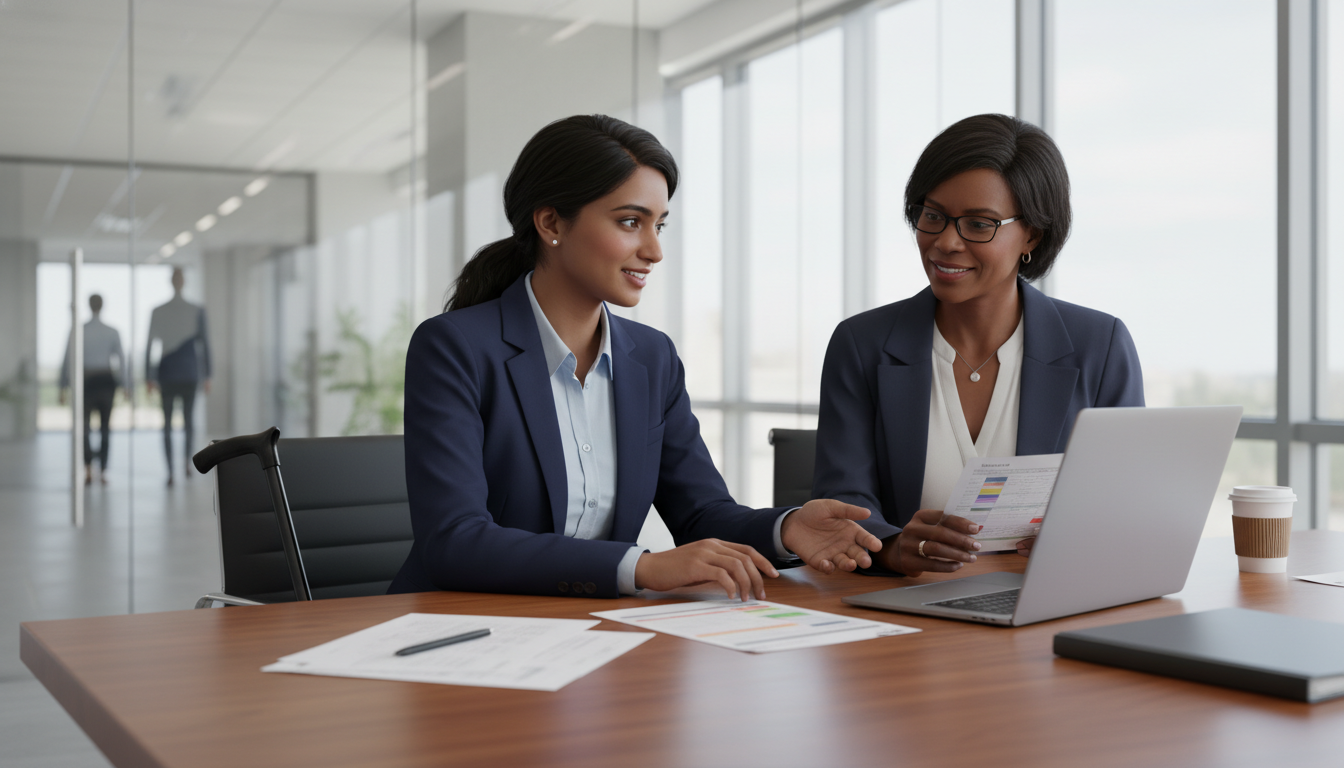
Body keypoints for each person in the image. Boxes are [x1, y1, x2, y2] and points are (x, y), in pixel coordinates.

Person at [389, 114, 881, 600]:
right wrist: (641, 567)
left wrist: (788, 528)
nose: (653, 250)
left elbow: (700, 513)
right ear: (551, 222)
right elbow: (455, 540)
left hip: (596, 630)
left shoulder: (651, 358)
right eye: (630, 222)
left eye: (659, 226)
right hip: (462, 626)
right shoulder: (454, 347)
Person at [813, 113, 1144, 578]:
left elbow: (1126, 505)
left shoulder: (1100, 346)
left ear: (1031, 233)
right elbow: (845, 503)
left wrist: (1082, 537)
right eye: (933, 216)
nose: (945, 242)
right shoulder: (862, 344)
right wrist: (892, 548)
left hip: (1044, 603)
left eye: (979, 224)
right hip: (900, 608)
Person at [146, 267, 212, 485]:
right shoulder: (170, 310)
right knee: (182, 423)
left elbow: (205, 345)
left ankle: (179, 466)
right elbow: (150, 346)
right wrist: (148, 375)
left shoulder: (189, 310)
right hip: (178, 372)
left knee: (181, 423)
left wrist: (208, 374)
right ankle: (177, 467)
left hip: (178, 373)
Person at [59, 294, 127, 485]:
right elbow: (121, 360)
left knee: (84, 427)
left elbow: (67, 360)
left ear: (89, 306)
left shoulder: (79, 330)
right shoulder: (111, 331)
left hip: (86, 381)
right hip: (105, 381)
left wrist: (62, 386)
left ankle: (88, 468)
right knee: (105, 427)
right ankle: (103, 470)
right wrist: (126, 385)